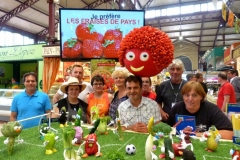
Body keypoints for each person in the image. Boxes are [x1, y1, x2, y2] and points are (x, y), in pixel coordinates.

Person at [167, 81, 233, 140]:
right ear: (183, 96)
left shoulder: (212, 109)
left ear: (201, 96)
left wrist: (197, 134)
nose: (190, 99)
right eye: (187, 95)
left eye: (194, 95)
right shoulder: (177, 108)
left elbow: (229, 133)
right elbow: (167, 130)